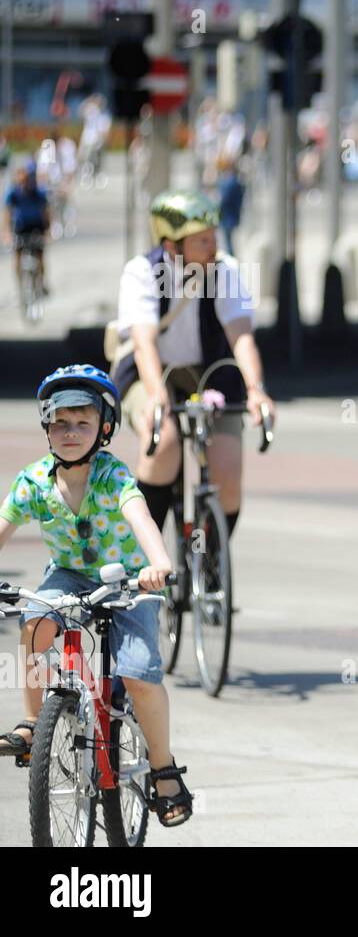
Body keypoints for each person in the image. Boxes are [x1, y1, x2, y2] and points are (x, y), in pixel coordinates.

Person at [0, 365, 193, 827]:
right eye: (60, 422)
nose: (70, 432)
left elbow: (141, 517)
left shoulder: (112, 476)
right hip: (68, 574)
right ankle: (31, 724)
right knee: (33, 620)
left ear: (104, 428)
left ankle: (164, 770)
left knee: (140, 673)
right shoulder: (34, 482)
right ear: (46, 426)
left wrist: (158, 564)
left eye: (82, 422)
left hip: (128, 579)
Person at [112, 189, 275, 541]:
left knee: (228, 469)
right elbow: (144, 342)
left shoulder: (226, 269)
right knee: (165, 443)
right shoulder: (142, 271)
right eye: (202, 240)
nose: (213, 246)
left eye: (214, 236)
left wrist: (255, 389)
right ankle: (147, 560)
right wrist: (157, 396)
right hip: (152, 371)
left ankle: (211, 565)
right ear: (172, 246)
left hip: (211, 372)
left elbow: (241, 335)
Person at [3, 161, 50, 296]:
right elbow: (7, 213)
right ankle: (20, 287)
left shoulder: (39, 193)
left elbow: (46, 212)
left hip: (37, 227)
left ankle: (41, 282)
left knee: (40, 256)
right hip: (20, 228)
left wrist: (48, 231)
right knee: (17, 257)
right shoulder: (13, 193)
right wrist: (6, 233)